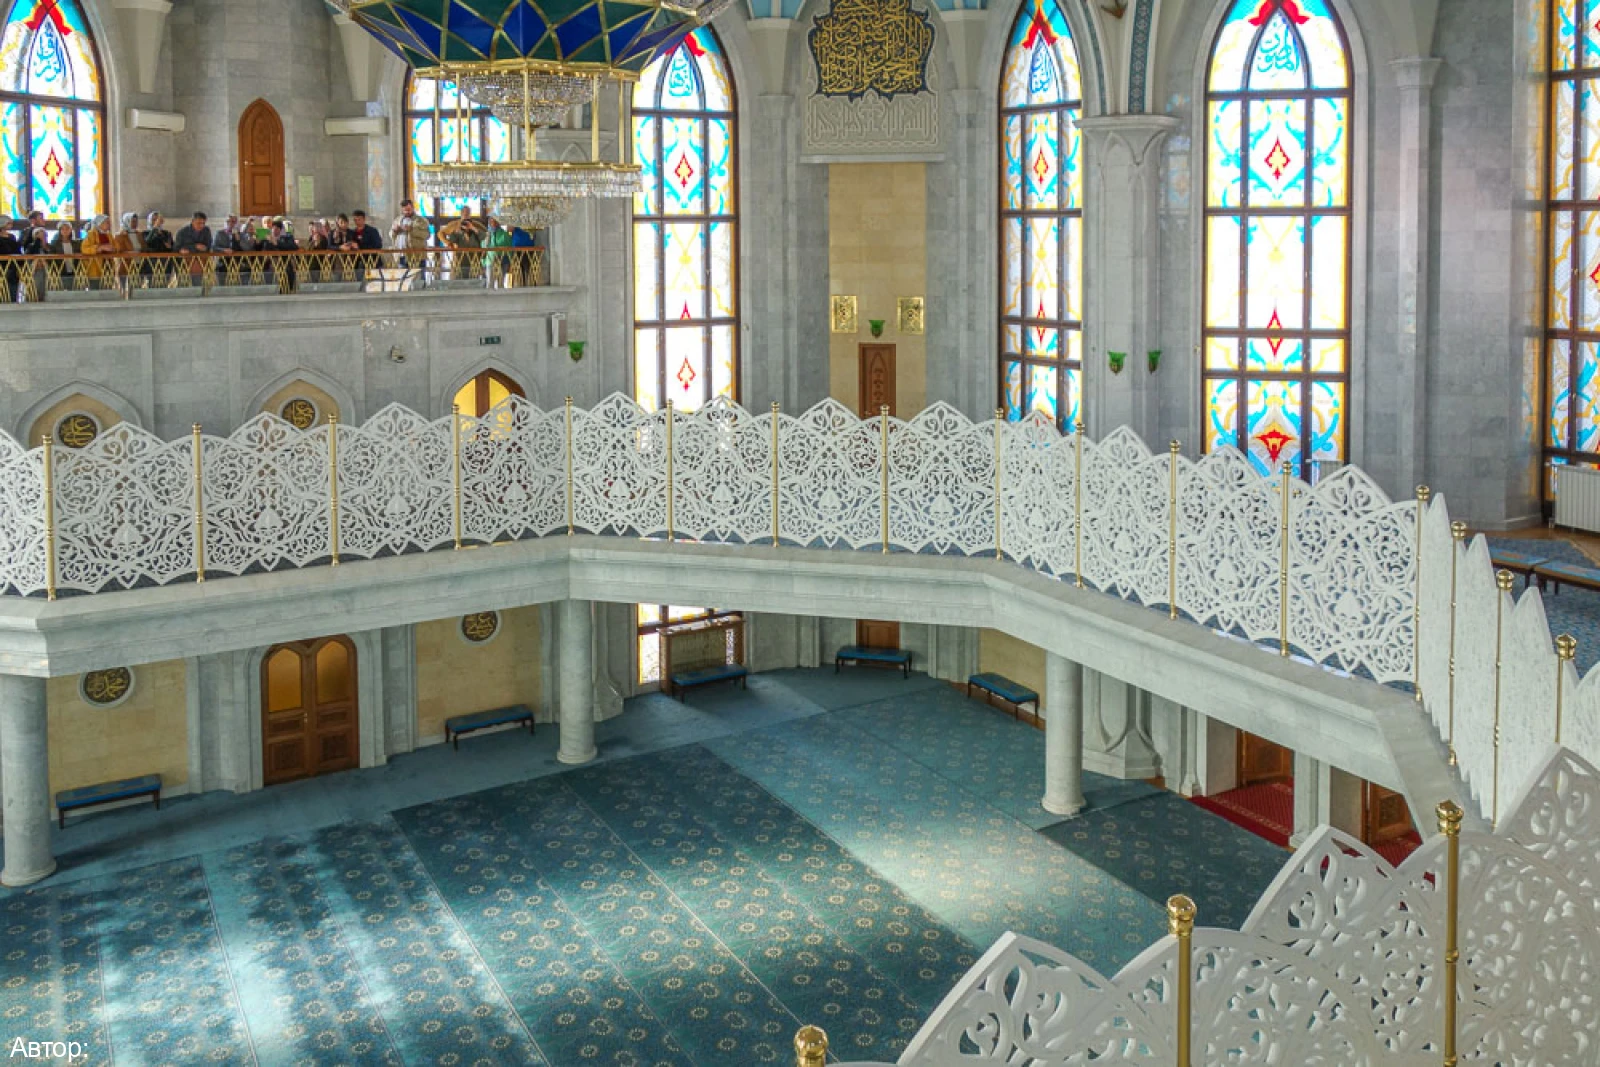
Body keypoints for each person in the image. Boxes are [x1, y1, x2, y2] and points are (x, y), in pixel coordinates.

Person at [438, 211, 484, 280]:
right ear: (461, 214)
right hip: (458, 258)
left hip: (474, 258)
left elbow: (486, 235)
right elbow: (440, 233)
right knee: (457, 280)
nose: (465, 215)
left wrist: (473, 228)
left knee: (474, 280)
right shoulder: (454, 225)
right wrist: (448, 243)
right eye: (464, 213)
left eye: (467, 213)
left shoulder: (476, 225)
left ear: (470, 214)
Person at [389, 199, 429, 276]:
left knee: (418, 278)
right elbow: (390, 235)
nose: (407, 212)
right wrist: (394, 231)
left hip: (417, 255)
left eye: (408, 210)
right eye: (404, 210)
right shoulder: (397, 220)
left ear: (413, 208)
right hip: (401, 255)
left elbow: (426, 235)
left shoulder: (421, 220)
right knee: (403, 279)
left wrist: (411, 230)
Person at [81, 214, 116, 287]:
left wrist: (113, 248)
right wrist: (99, 248)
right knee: (96, 287)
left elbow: (116, 246)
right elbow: (84, 249)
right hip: (95, 267)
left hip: (108, 265)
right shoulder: (91, 235)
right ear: (100, 223)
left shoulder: (109, 235)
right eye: (107, 222)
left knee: (108, 287)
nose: (109, 224)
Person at [0, 215, 19, 302]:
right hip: (2, 264)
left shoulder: (12, 237)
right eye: (9, 223)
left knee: (12, 283)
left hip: (12, 264)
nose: (11, 225)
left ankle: (12, 299)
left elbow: (16, 250)